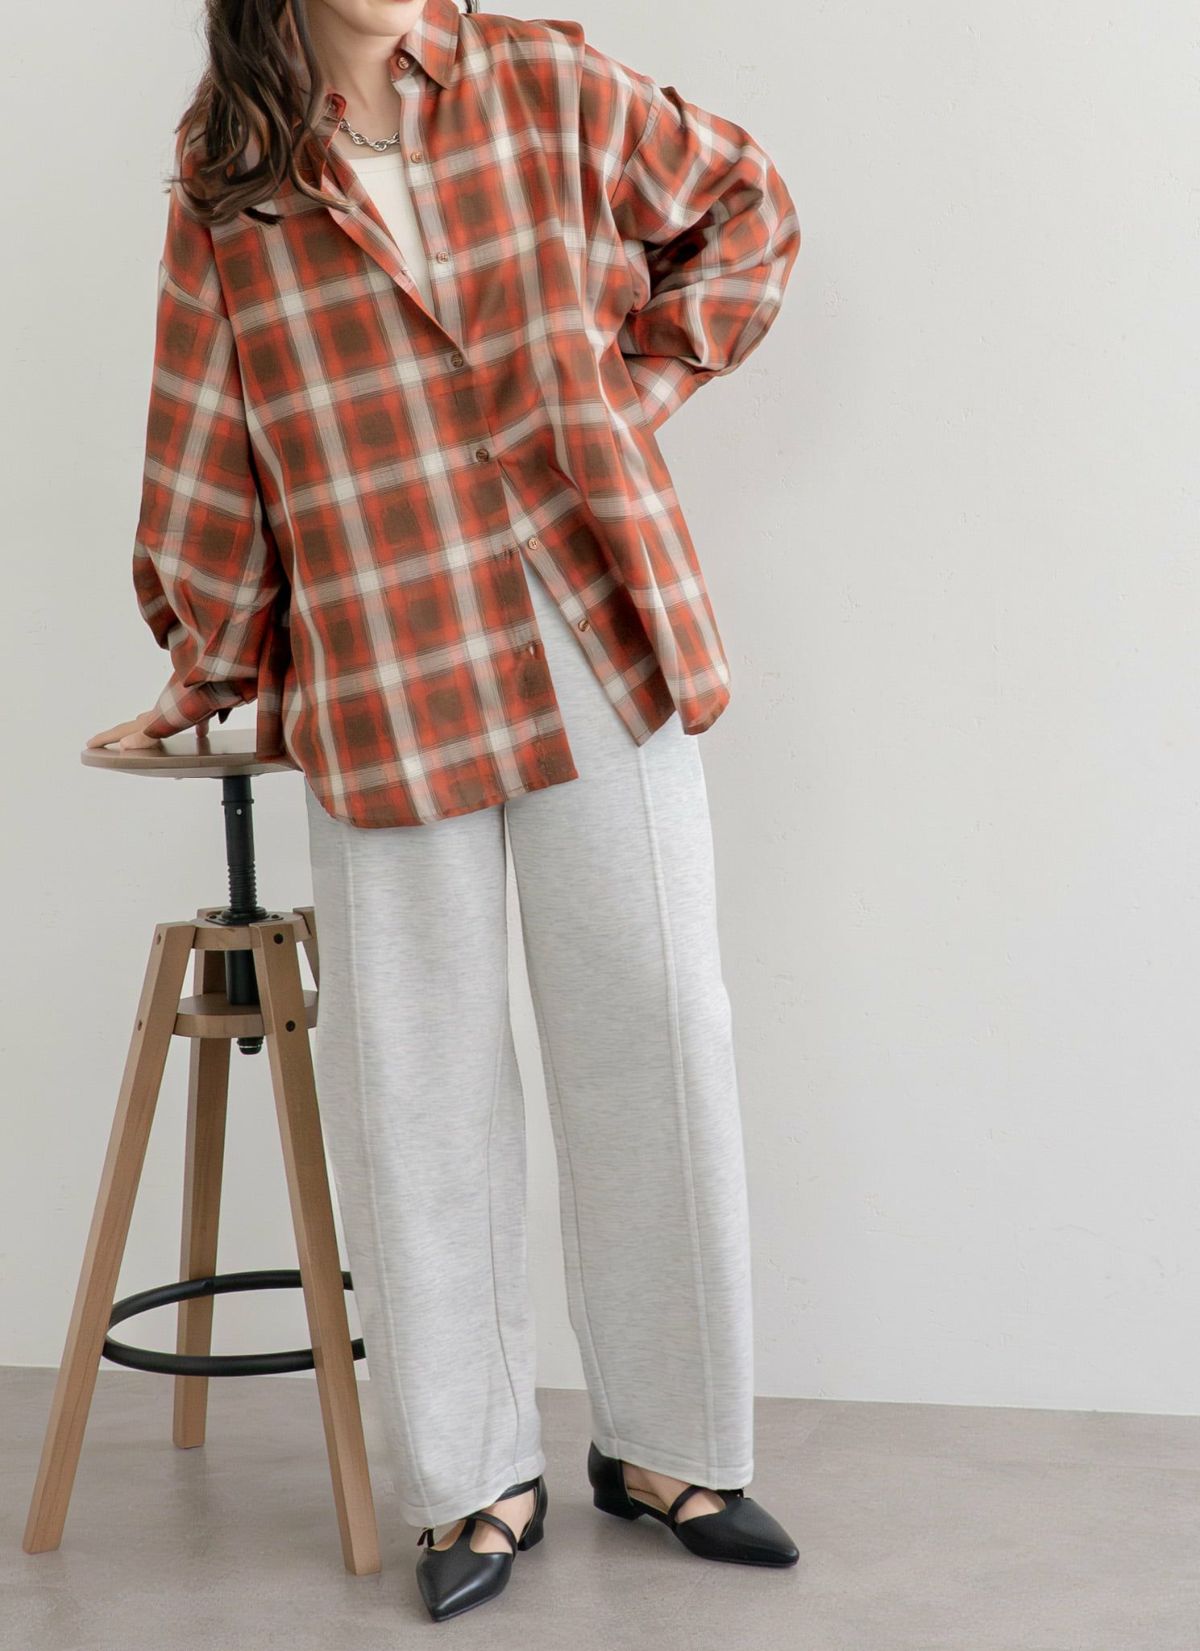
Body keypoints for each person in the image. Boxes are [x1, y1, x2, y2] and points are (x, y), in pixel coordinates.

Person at [88, 0, 802, 1624]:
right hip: (384, 649)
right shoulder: (232, 168)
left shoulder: (543, 76)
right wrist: (206, 661)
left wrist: (637, 385)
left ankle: (675, 1449)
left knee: (657, 1030)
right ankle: (471, 1479)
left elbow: (747, 205)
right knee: (417, 1078)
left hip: (590, 618)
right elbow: (206, 424)